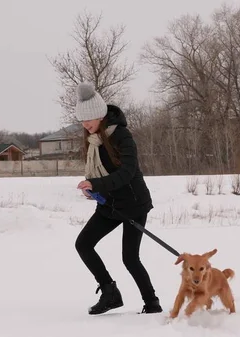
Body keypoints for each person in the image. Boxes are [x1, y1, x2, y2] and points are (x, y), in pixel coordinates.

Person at [73, 82, 162, 315]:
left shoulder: (122, 136)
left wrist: (96, 183)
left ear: (100, 115)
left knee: (130, 258)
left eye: (89, 119)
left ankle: (152, 303)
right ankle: (110, 292)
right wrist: (92, 189)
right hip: (110, 204)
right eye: (82, 120)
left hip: (134, 204)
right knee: (83, 244)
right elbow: (97, 174)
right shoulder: (93, 140)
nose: (85, 124)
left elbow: (127, 172)